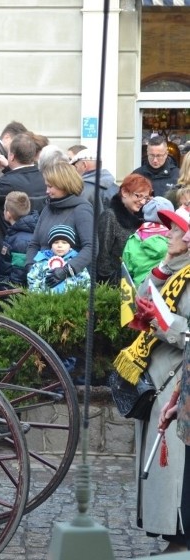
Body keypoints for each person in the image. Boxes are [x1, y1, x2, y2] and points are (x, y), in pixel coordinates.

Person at [125, 210, 190, 555]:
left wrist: (162, 321)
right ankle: (173, 535)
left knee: (177, 466)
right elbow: (144, 299)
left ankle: (181, 537)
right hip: (160, 374)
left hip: (179, 377)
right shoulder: (171, 269)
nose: (168, 234)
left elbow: (186, 332)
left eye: (175, 230)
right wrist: (163, 266)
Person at [25, 160, 94, 288]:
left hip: (70, 284)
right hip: (41, 282)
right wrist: (31, 267)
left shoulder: (81, 209)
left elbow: (91, 247)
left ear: (64, 185)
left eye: (50, 186)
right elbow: (34, 243)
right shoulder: (48, 208)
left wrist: (66, 271)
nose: (47, 191)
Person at [0, 132, 47, 247]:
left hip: (10, 246)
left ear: (11, 156)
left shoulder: (8, 182)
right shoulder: (43, 177)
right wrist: (8, 168)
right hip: (37, 243)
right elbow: (23, 180)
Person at [95, 173, 150, 285]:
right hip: (114, 287)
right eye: (138, 196)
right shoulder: (110, 216)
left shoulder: (143, 219)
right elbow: (102, 258)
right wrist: (119, 283)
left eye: (146, 198)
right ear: (125, 192)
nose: (143, 202)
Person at [123, 196, 174, 286]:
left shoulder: (134, 238)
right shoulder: (174, 238)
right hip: (167, 290)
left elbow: (127, 269)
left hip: (141, 290)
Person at [26, 225, 91, 293]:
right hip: (46, 301)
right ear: (51, 244)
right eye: (56, 242)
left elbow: (85, 282)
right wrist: (39, 296)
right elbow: (33, 279)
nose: (59, 245)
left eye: (64, 242)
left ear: (70, 245)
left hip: (71, 301)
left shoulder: (76, 261)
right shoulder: (41, 261)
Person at [0, 191, 38, 290]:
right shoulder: (15, 234)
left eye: (4, 209)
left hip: (11, 295)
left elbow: (18, 275)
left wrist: (7, 293)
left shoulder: (21, 241)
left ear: (8, 214)